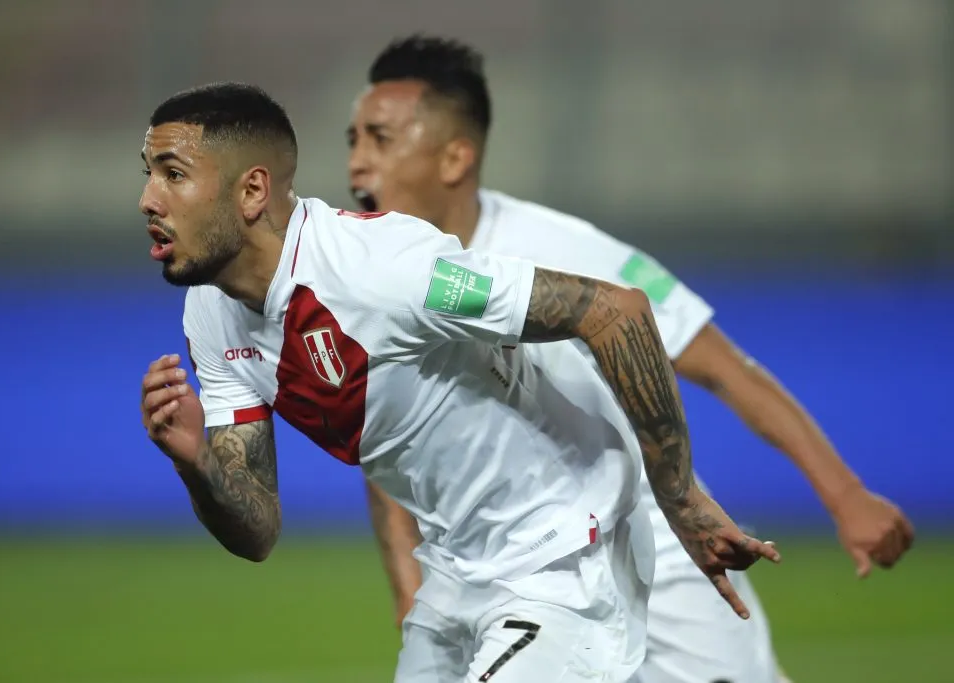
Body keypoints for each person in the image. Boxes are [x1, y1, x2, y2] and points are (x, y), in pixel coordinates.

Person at [138, 81, 779, 683]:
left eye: (174, 174)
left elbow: (615, 311)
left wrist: (680, 498)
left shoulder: (383, 271)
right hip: (456, 571)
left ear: (252, 192)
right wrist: (196, 463)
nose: (148, 199)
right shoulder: (210, 310)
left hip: (561, 556)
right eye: (147, 173)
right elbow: (257, 532)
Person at [345, 34, 915, 683]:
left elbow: (727, 371)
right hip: (502, 572)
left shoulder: (560, 248)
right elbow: (388, 441)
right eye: (353, 139)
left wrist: (844, 495)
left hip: (652, 549)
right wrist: (406, 586)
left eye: (380, 139)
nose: (358, 164)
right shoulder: (373, 281)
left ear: (455, 156)